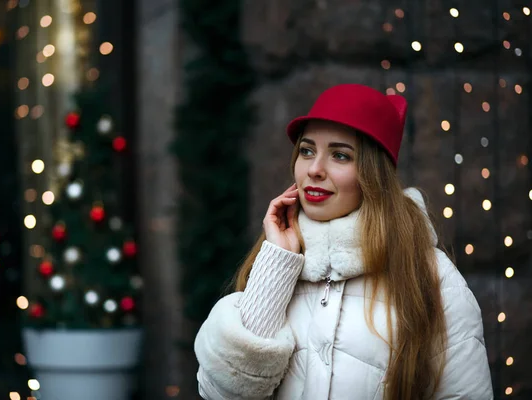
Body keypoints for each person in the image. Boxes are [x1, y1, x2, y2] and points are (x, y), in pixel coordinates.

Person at [194, 84, 493, 400]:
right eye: (307, 151)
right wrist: (277, 264)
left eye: (339, 155)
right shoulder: (276, 257)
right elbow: (221, 393)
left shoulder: (432, 276)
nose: (314, 169)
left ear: (373, 174)